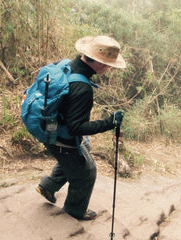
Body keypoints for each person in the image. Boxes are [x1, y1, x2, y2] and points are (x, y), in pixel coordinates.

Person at [35, 35, 126, 220]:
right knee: (87, 172)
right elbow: (75, 128)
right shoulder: (83, 88)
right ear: (100, 64)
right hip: (60, 134)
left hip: (48, 125)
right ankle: (75, 210)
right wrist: (110, 123)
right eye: (109, 65)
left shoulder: (65, 64)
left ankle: (48, 186)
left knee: (83, 147)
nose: (109, 68)